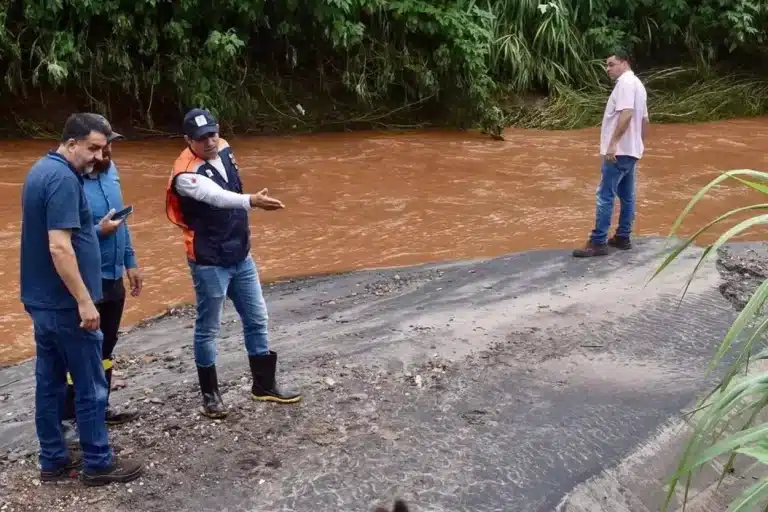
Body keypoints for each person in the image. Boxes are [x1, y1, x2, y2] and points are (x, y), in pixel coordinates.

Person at [20, 112, 143, 486]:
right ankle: (97, 463)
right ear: (71, 142)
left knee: (51, 382)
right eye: (92, 148)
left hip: (43, 300)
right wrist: (85, 301)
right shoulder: (61, 178)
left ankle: (54, 460)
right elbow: (60, 248)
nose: (96, 156)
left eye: (101, 149)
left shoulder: (41, 170)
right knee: (90, 384)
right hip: (65, 305)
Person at [165, 108, 301, 419]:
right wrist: (252, 201)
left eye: (212, 133)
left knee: (257, 317)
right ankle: (211, 395)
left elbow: (232, 186)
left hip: (240, 253)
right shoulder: (185, 175)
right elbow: (218, 197)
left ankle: (264, 386)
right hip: (209, 259)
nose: (210, 141)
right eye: (201, 138)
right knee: (208, 327)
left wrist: (247, 202)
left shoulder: (224, 147)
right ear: (188, 141)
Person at [61, 117, 143, 427]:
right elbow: (64, 238)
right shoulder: (70, 181)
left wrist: (131, 262)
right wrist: (99, 231)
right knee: (81, 350)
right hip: (85, 279)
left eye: (109, 145)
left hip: (113, 277)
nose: (105, 152)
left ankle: (100, 405)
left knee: (107, 345)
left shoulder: (112, 174)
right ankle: (70, 417)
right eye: (99, 146)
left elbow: (122, 222)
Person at [573, 49, 649, 258]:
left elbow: (627, 113)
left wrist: (613, 144)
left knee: (605, 195)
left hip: (619, 151)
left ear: (624, 63)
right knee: (626, 195)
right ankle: (623, 237)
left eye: (611, 64)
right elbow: (645, 121)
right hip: (631, 151)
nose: (607, 69)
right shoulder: (639, 85)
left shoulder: (625, 83)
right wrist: (639, 145)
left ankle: (598, 242)